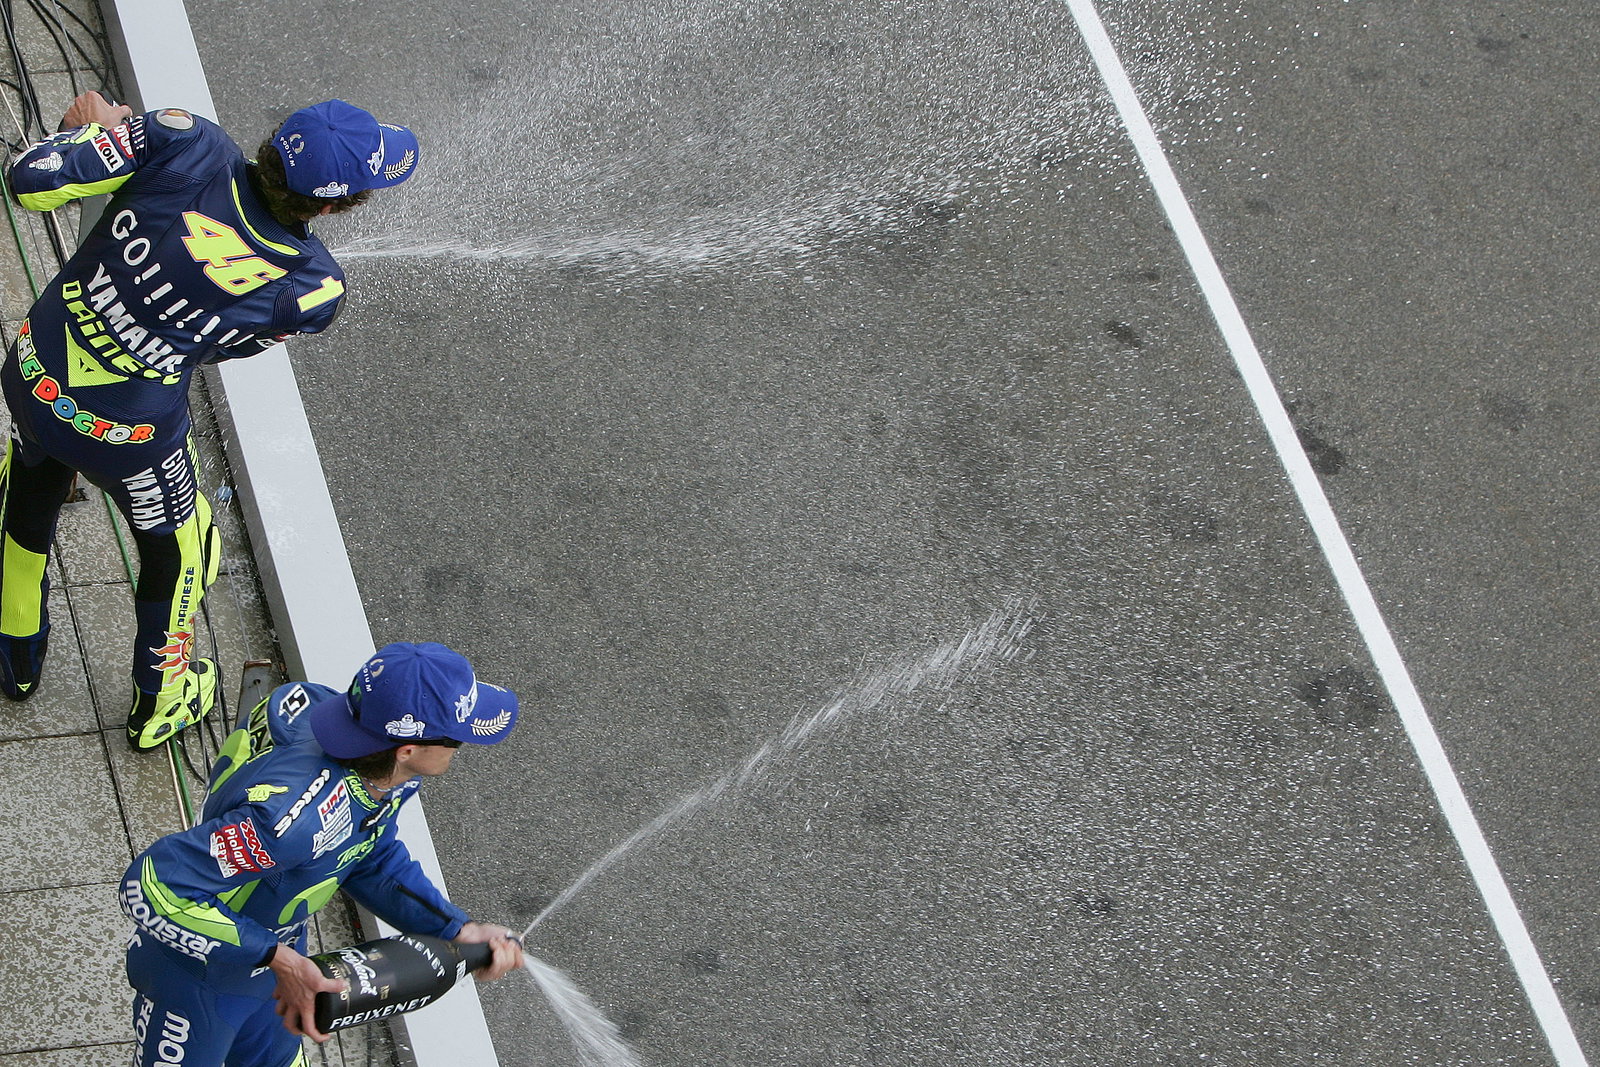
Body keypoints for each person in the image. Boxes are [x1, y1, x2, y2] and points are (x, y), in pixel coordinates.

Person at [0, 92, 420, 750]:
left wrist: (93, 134)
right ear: (330, 207)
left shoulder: (181, 137)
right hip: (129, 439)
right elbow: (224, 347)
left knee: (29, 486)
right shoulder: (313, 286)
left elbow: (29, 180)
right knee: (182, 550)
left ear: (274, 142)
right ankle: (160, 702)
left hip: (33, 373)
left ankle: (15, 654)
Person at [120, 641, 526, 1066]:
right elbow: (149, 885)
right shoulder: (292, 821)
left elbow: (368, 853)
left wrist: (455, 929)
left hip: (272, 963)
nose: (459, 748)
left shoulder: (355, 736)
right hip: (198, 979)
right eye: (456, 739)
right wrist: (284, 962)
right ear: (407, 750)